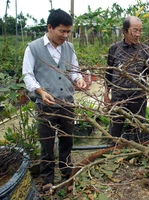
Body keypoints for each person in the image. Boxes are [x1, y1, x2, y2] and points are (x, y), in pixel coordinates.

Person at [22, 9, 86, 194]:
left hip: (67, 103)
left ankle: (67, 172)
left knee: (67, 140)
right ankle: (48, 179)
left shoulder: (69, 48)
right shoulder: (33, 48)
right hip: (46, 106)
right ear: (50, 27)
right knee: (47, 143)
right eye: (62, 31)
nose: (65, 36)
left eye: (68, 32)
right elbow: (27, 75)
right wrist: (41, 92)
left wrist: (78, 79)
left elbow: (74, 70)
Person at [104, 16, 149, 143]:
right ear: (125, 31)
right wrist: (106, 94)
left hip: (138, 97)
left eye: (140, 30)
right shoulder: (115, 48)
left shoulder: (145, 50)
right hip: (118, 97)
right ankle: (111, 152)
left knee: (139, 129)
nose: (138, 34)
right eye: (135, 30)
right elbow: (109, 72)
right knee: (114, 129)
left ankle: (138, 156)